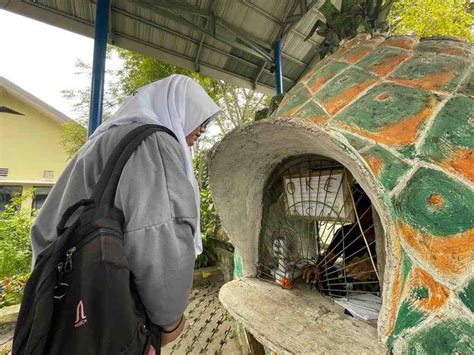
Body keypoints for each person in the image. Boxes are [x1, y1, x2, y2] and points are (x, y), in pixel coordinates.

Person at [30, 74, 220, 347]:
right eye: (199, 116)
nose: (202, 128)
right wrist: (169, 319)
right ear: (175, 107)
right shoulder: (152, 142)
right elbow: (158, 237)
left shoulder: (106, 138)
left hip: (62, 298)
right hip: (108, 312)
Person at [302, 187, 378, 294]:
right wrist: (317, 267)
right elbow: (327, 259)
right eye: (357, 212)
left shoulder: (388, 239)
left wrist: (373, 268)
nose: (361, 218)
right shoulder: (345, 232)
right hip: (350, 296)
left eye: (369, 221)